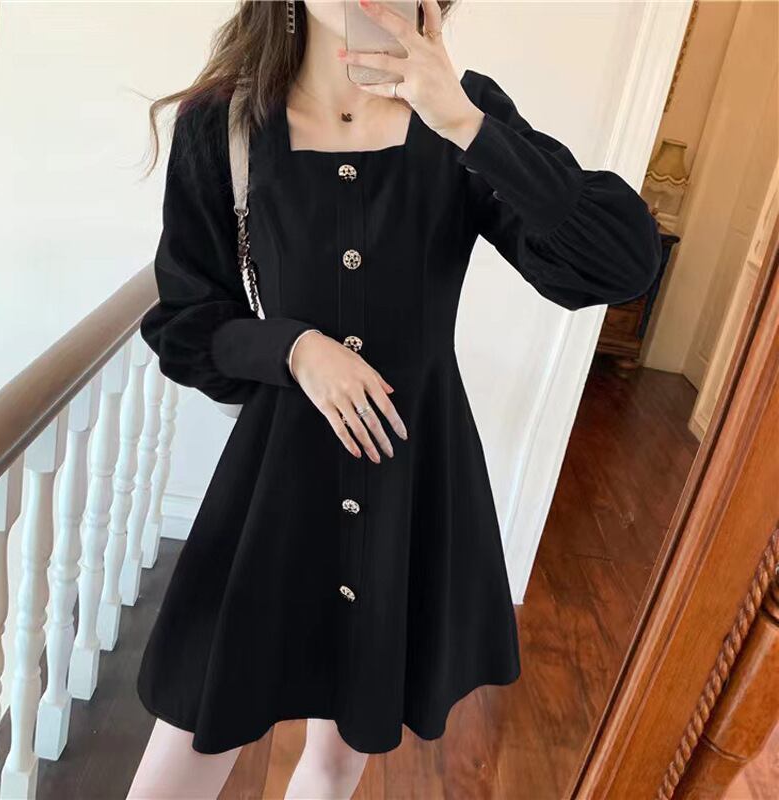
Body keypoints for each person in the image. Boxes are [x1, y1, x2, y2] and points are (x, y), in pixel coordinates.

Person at [129, 0, 662, 797]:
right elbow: (184, 320)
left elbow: (622, 264)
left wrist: (467, 126)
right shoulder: (225, 123)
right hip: (276, 485)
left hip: (409, 481)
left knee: (342, 750)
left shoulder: (465, 114)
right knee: (196, 720)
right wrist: (295, 350)